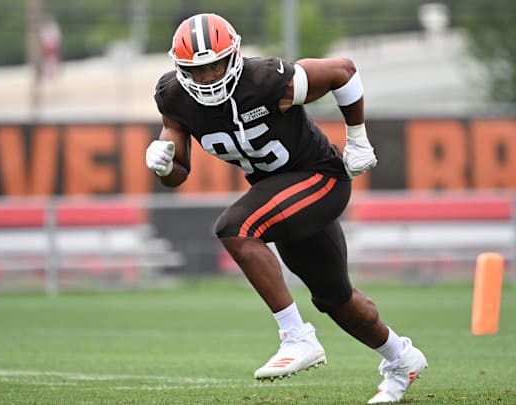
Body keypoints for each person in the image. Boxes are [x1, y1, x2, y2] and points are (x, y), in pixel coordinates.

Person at [146, 13, 427, 404]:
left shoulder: (266, 80)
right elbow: (179, 174)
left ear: (235, 56)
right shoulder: (174, 98)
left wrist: (358, 140)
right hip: (280, 194)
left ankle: (296, 336)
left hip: (320, 179)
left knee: (235, 228)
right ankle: (402, 360)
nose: (209, 76)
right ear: (180, 69)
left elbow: (343, 72)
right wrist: (163, 166)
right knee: (335, 298)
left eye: (216, 65)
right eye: (198, 69)